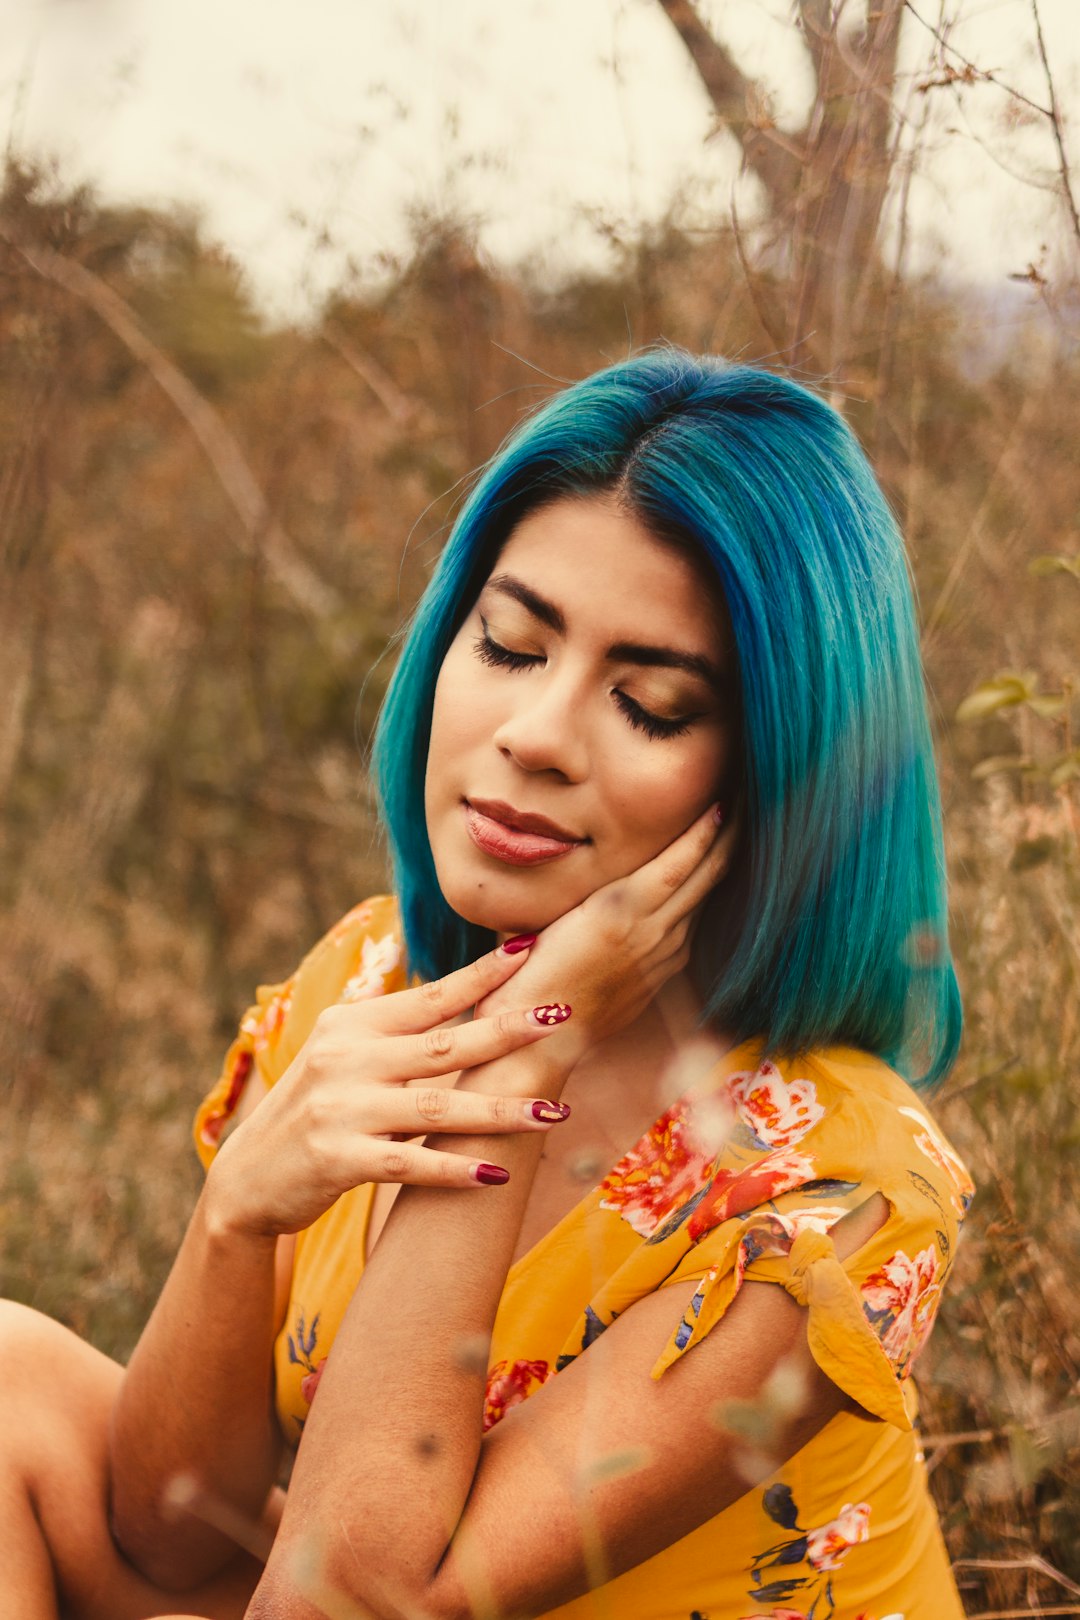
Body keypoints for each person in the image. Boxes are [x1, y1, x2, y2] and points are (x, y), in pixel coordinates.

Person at [2, 349, 973, 1620]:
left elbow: (345, 1599)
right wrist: (237, 1213)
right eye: (510, 647)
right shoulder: (371, 982)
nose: (535, 736)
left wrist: (528, 1046)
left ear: (782, 779)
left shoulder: (840, 1198)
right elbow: (170, 1535)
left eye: (650, 704)